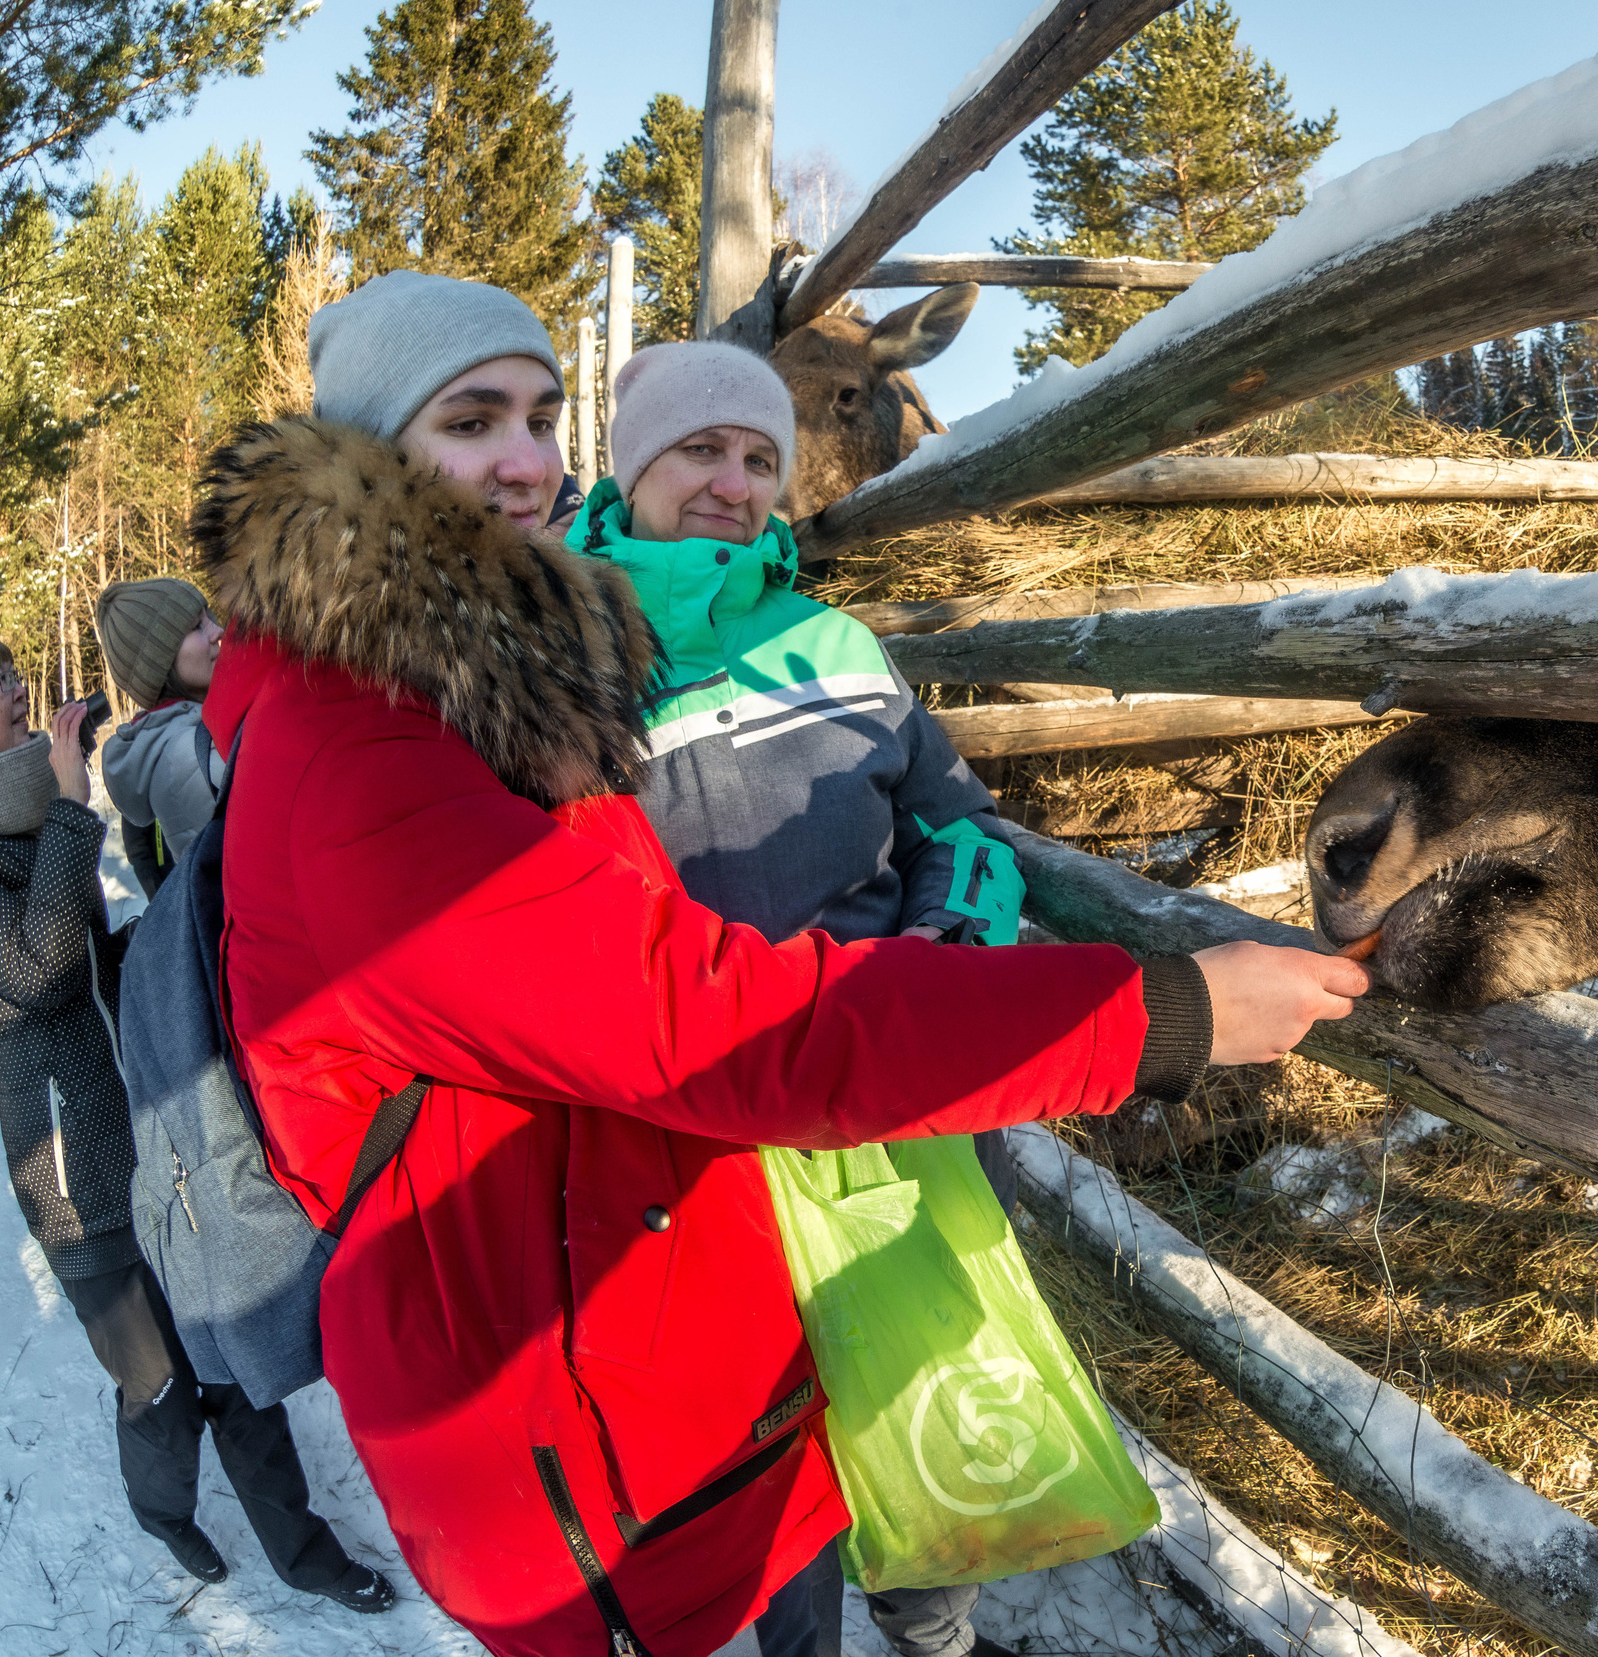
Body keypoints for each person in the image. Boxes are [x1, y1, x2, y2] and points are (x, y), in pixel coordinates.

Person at [197, 269, 1366, 1657]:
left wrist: (951, 938)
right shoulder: (383, 741)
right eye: (469, 421)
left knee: (879, 1489)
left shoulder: (526, 679)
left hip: (693, 1285)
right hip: (571, 1437)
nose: (520, 461)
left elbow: (953, 822)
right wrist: (1160, 1010)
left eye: (536, 415)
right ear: (373, 452)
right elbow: (694, 1021)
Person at [565, 339, 1034, 1657]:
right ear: (632, 464)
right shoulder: (559, 671)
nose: (731, 482)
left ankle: (932, 1632)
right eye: (699, 450)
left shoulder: (835, 643)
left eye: (759, 459)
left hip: (896, 1108)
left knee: (928, 1399)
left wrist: (932, 973)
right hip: (696, 1142)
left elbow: (965, 827)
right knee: (765, 1464)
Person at [0, 622, 390, 1610]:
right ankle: (163, 1511)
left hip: (161, 1142)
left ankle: (308, 1557)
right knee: (156, 1387)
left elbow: (96, 961)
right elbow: (38, 966)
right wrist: (73, 814)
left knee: (230, 1364)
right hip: (79, 1176)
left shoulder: (30, 812)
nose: (16, 690)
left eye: (11, 669)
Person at [95, 576, 225, 896]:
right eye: (197, 626)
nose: (217, 632)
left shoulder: (190, 737)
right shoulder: (186, 755)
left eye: (209, 616)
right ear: (160, 663)